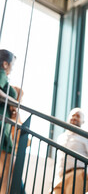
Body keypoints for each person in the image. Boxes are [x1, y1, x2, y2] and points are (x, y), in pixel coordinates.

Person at [52, 108, 88, 194]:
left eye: (78, 116)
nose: (75, 118)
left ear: (83, 121)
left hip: (77, 176)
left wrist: (85, 174)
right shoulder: (61, 138)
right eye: (73, 115)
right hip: (60, 179)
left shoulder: (86, 136)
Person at [0, 49, 23, 194]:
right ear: (5, 64)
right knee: (7, 175)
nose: (12, 68)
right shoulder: (1, 73)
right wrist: (14, 102)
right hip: (1, 128)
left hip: (4, 129)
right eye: (12, 65)